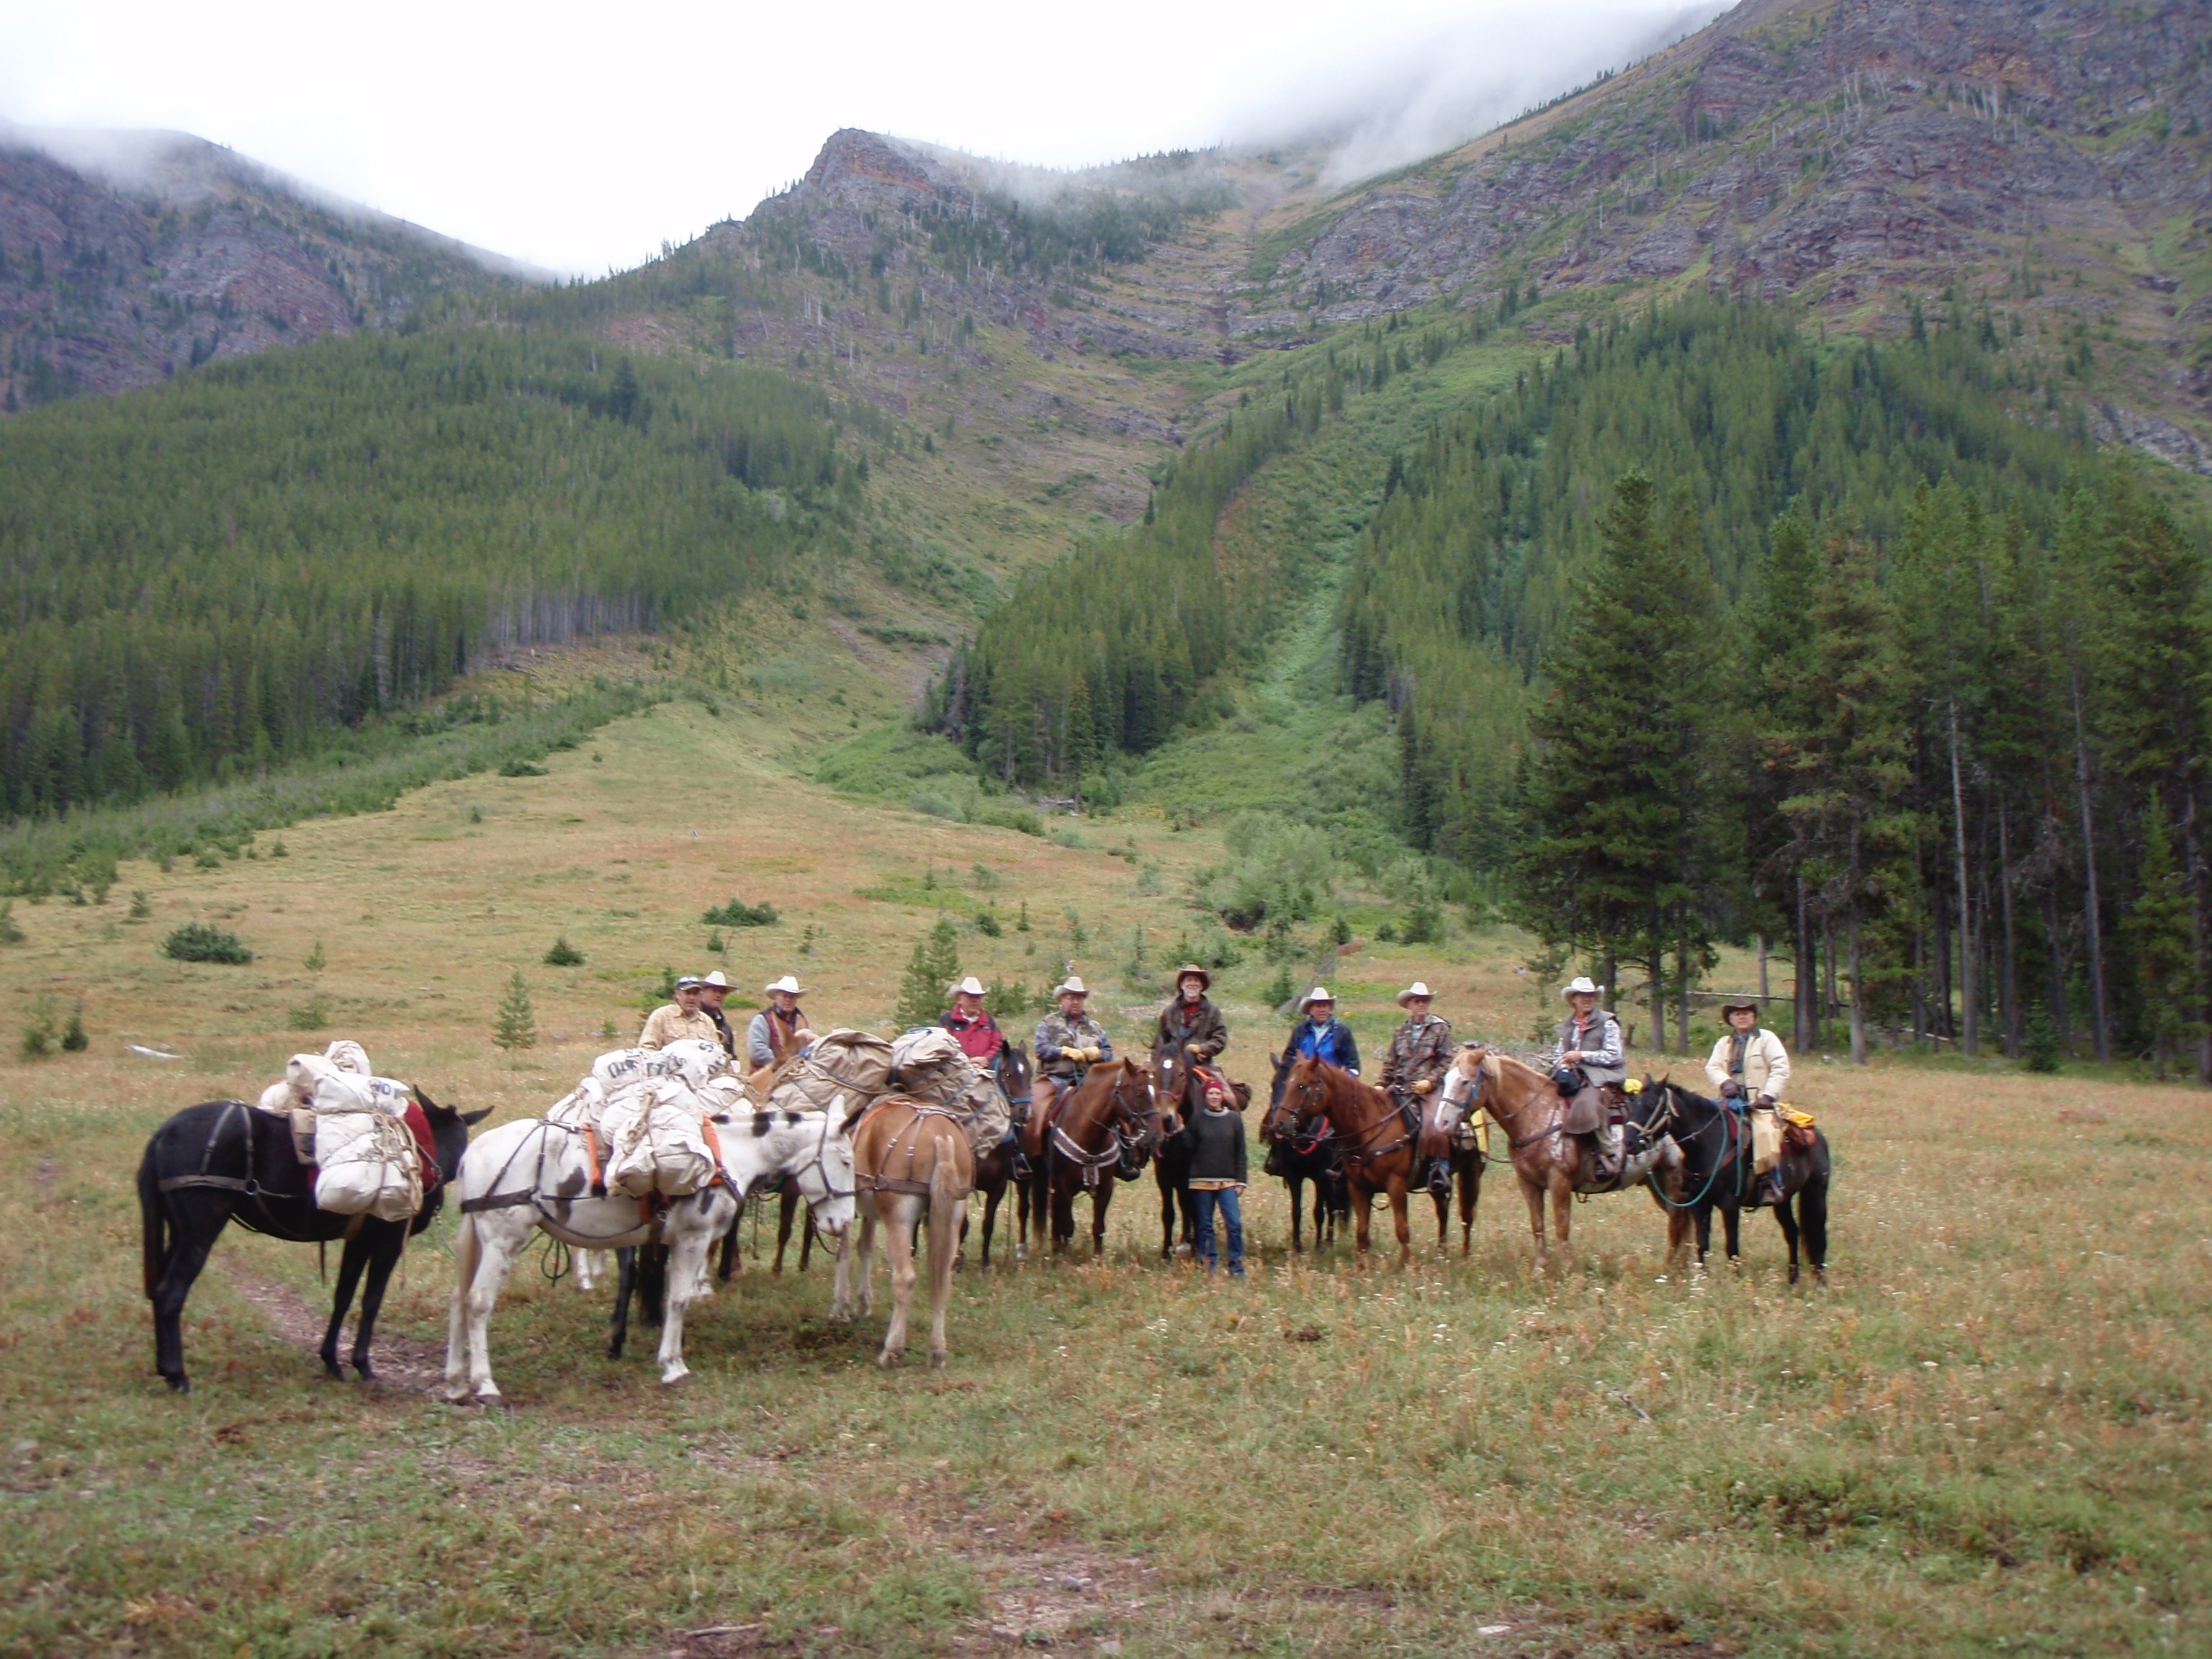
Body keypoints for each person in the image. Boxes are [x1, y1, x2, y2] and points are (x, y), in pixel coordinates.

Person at [1705, 997, 1791, 1206]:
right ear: (1730, 1019)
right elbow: (1713, 1067)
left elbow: (1780, 1067)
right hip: (1729, 1100)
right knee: (1703, 1125)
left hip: (1758, 1104)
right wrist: (1725, 1082)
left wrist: (1769, 1096)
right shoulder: (1723, 1043)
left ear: (1753, 1017)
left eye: (1746, 1013)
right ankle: (1697, 1178)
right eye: (1737, 1013)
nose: (1742, 1016)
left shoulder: (1767, 1039)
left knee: (1765, 1133)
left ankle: (1770, 1181)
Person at [1380, 982, 1455, 1196]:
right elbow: (1391, 1062)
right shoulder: (1401, 1031)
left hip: (1428, 1090)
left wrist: (1430, 1082)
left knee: (1435, 1124)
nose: (1421, 1004)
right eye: (1417, 1001)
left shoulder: (1440, 1028)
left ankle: (1440, 1168)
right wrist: (1381, 1083)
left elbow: (1447, 1060)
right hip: (1400, 1087)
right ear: (1410, 1004)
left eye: (1425, 1001)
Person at [1026, 976, 1112, 1159]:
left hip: (1088, 1081)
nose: (1075, 1002)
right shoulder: (1048, 1023)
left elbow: (1108, 1053)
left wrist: (1096, 1054)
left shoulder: (1095, 1027)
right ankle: (1031, 1156)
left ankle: (1122, 1159)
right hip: (1054, 1078)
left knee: (1114, 1108)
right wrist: (1063, 1051)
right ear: (1062, 1000)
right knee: (1035, 1109)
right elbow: (1040, 1049)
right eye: (1071, 997)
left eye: (1079, 998)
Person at [1549, 976, 1627, 1178]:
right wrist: (1563, 1064)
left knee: (1588, 1104)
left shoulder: (1608, 1023)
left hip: (1603, 1074)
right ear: (1573, 999)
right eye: (1583, 995)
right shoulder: (1568, 1026)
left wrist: (1582, 1056)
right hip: (1574, 1074)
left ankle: (1609, 1151)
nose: (1587, 999)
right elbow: (1558, 1054)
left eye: (1590, 995)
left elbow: (1614, 1055)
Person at [1177, 1073, 1248, 1276]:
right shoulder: (1197, 1120)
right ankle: (1210, 1264)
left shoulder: (1234, 1120)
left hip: (1227, 1183)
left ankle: (1236, 1265)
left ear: (1223, 1096)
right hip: (1201, 1183)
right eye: (1211, 1094)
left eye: (1217, 1093)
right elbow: (1189, 1149)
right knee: (1205, 1226)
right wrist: (1181, 1131)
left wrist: (1241, 1180)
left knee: (1234, 1224)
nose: (1214, 1097)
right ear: (1206, 1097)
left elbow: (1241, 1152)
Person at [1151, 963, 1228, 1118]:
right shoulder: (1169, 1011)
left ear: (1202, 986)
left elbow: (1220, 1038)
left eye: (1197, 981)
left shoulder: (1213, 1012)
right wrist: (1156, 1064)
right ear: (1182, 985)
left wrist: (1203, 1048)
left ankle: (1229, 1125)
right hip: (1172, 1067)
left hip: (1202, 1065)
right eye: (1188, 980)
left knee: (1228, 1095)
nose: (1192, 983)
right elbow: (1159, 1041)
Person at [747, 975, 814, 1082]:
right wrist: (781, 1064)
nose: (788, 1000)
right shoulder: (762, 1020)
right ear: (776, 997)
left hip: (797, 1077)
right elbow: (757, 1051)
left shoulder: (802, 1021)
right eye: (784, 996)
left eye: (792, 997)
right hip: (765, 1078)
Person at [1287, 988, 1360, 1074]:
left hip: (1331, 1083)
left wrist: (1345, 1082)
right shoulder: (1300, 1030)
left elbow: (1353, 1064)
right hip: (1304, 1081)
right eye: (1318, 1006)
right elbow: (1289, 1057)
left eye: (1325, 1006)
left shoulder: (1342, 1032)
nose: (1322, 1010)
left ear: (1329, 1009)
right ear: (1311, 1010)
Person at [639, 976, 721, 1051]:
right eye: (688, 993)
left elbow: (717, 1051)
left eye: (695, 994)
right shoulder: (661, 1016)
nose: (692, 997)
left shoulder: (707, 1022)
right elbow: (646, 1048)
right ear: (678, 995)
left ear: (700, 996)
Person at [941, 976, 1004, 1065]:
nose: (974, 1001)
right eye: (970, 997)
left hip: (986, 1069)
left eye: (977, 997)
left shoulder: (989, 1022)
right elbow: (943, 1047)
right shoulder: (946, 1021)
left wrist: (986, 1059)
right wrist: (967, 1060)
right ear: (959, 999)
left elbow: (998, 1045)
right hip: (955, 1070)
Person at [698, 970, 737, 1058]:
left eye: (722, 992)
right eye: (714, 991)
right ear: (702, 993)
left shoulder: (725, 1027)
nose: (718, 995)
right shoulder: (694, 1019)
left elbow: (731, 1055)